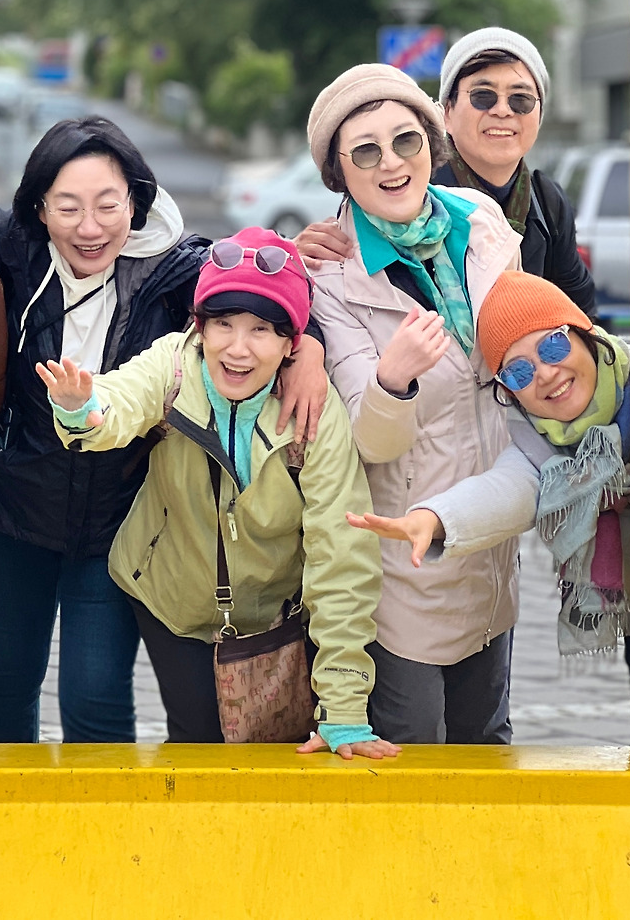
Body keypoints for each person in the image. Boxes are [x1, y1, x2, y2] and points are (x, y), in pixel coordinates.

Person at [0, 116, 329, 743]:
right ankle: (0, 804)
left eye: (108, 205)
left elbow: (265, 293)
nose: (90, 227)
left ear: (136, 202)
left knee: (94, 695)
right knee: (4, 680)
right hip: (12, 509)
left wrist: (311, 348)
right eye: (68, 207)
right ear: (39, 208)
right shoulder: (14, 250)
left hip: (117, 518)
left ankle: (105, 810)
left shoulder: (173, 268)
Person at [37, 228, 395, 758]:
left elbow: (343, 555)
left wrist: (343, 709)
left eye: (261, 329)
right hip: (172, 595)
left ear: (292, 344)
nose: (238, 347)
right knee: (197, 741)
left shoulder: (316, 417)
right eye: (223, 323)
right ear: (199, 327)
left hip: (274, 608)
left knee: (278, 749)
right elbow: (121, 397)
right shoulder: (174, 366)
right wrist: (81, 408)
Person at [303, 63, 535, 745]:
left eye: (405, 140)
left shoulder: (481, 222)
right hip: (404, 563)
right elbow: (371, 441)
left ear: (432, 143)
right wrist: (393, 380)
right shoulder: (332, 271)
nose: (391, 163)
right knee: (409, 755)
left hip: (490, 540)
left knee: (487, 747)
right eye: (365, 151)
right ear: (339, 174)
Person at [351, 270, 630, 703]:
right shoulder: (536, 443)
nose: (546, 374)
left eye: (554, 345)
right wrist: (432, 518)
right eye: (519, 373)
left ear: (586, 335)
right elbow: (506, 490)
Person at [298, 27, 595, 316]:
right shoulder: (409, 188)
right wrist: (290, 259)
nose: (503, 111)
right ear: (446, 113)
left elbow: (581, 311)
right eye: (483, 96)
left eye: (521, 99)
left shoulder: (547, 201)